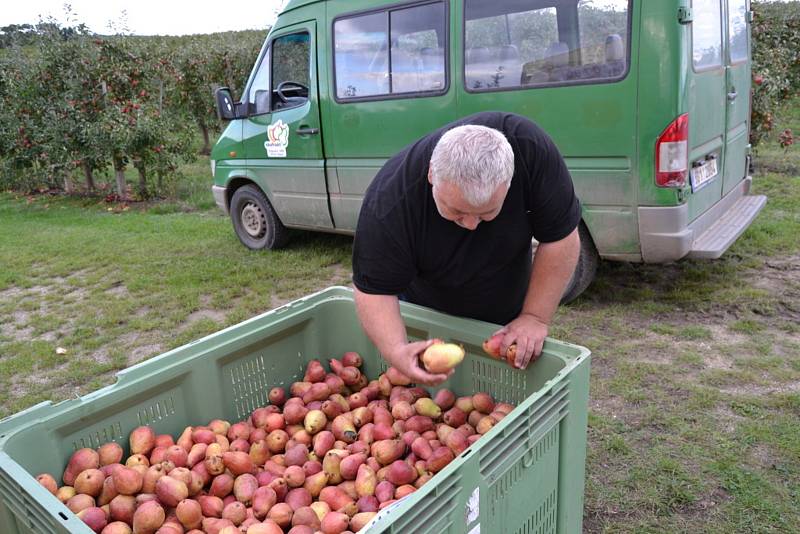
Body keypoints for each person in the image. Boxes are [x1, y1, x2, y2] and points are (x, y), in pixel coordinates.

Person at [352, 111, 581, 385]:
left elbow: (561, 237)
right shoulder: (389, 203)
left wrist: (534, 316)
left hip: (507, 306)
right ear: (431, 176)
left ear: (509, 183)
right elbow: (375, 289)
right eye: (457, 211)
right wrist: (397, 350)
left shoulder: (530, 150)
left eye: (487, 212)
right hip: (425, 311)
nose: (471, 224)